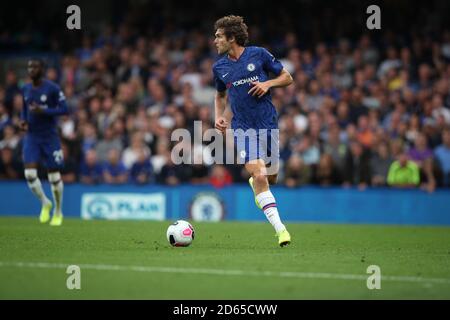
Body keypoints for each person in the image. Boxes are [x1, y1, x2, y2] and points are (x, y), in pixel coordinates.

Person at [212, 15, 293, 246]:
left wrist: (267, 83)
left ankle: (257, 185)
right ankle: (281, 230)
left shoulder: (258, 54)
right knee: (259, 175)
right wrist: (219, 117)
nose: (215, 40)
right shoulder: (219, 67)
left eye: (219, 36)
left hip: (267, 122)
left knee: (270, 178)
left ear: (232, 37)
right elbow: (219, 95)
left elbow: (287, 77)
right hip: (242, 127)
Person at [19, 59, 68, 226]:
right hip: (32, 136)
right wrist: (23, 120)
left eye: (35, 67)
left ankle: (58, 211)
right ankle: (45, 202)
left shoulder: (52, 88)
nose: (31, 70)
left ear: (42, 69)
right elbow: (24, 109)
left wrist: (44, 111)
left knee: (54, 176)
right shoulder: (25, 88)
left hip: (49, 136)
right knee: (29, 174)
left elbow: (64, 109)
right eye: (29, 67)